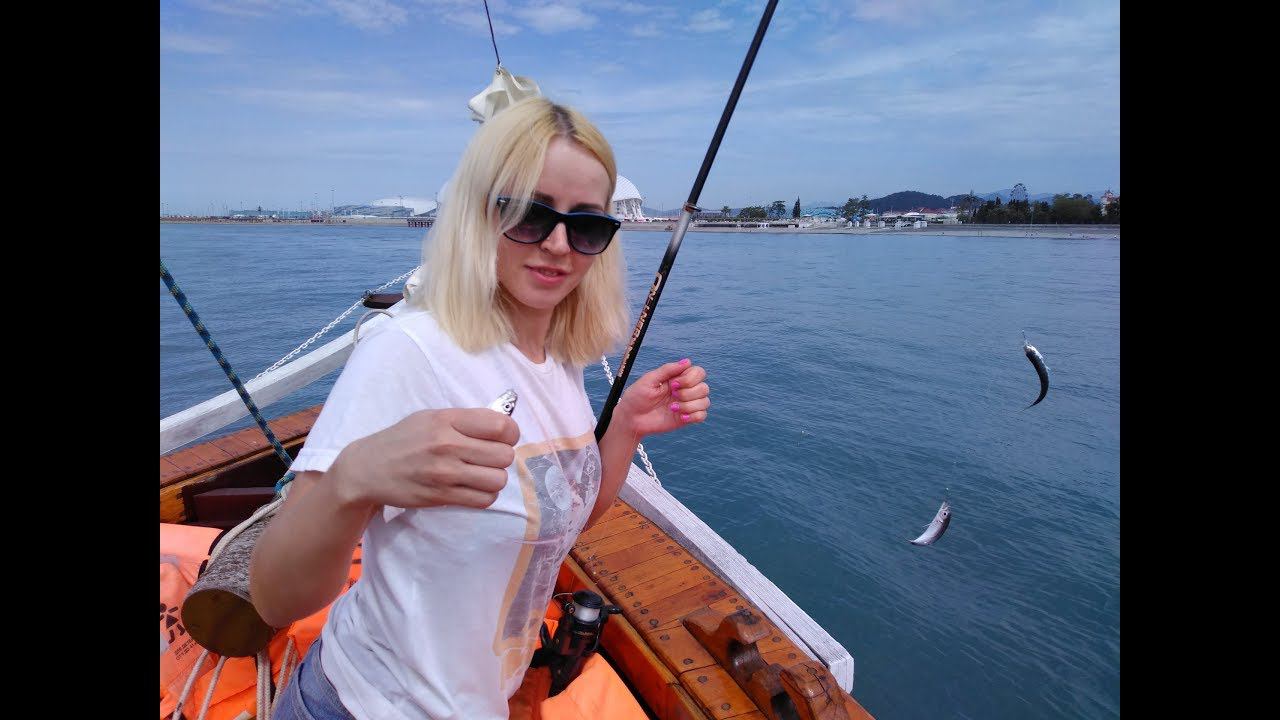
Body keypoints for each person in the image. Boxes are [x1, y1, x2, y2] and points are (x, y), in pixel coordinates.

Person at [251, 97, 711, 720]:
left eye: (586, 226)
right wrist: (349, 482)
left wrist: (626, 426)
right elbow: (275, 599)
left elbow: (559, 525)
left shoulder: (558, 357)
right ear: (479, 213)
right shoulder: (409, 351)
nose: (558, 244)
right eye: (529, 213)